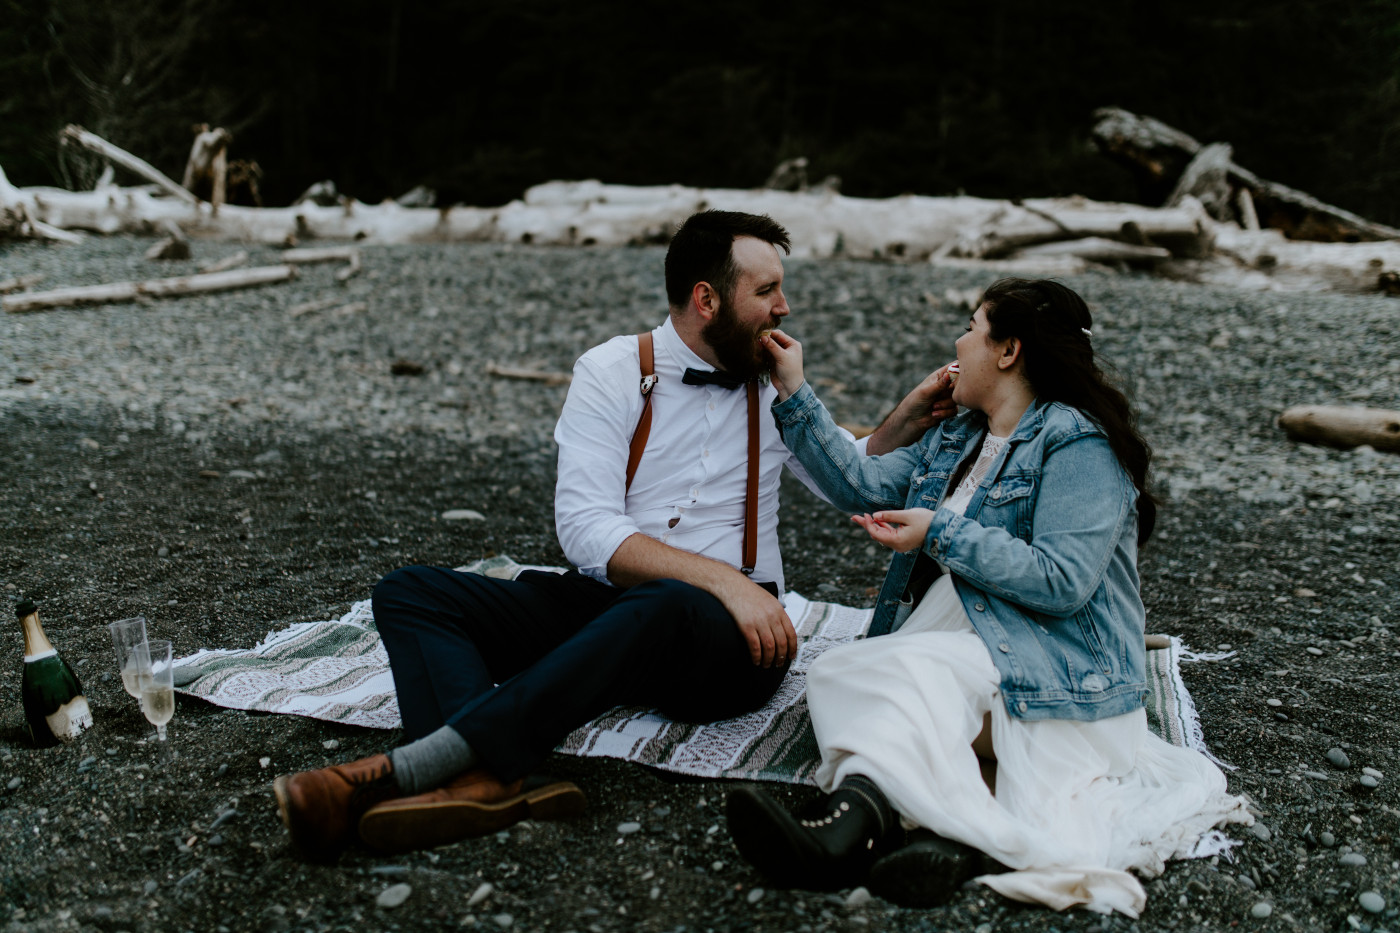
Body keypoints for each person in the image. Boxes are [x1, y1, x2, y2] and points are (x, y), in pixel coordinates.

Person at [271, 210, 955, 863]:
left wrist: (909, 415)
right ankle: (482, 776)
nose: (784, 308)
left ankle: (411, 769)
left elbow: (853, 472)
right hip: (618, 604)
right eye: (768, 290)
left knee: (663, 603)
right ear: (706, 299)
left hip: (732, 646)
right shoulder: (613, 370)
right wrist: (723, 579)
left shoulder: (777, 387)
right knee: (412, 591)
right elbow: (586, 529)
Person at [726, 278, 1247, 915]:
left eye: (971, 327)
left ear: (1007, 351)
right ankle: (927, 840)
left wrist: (941, 530)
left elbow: (1062, 580)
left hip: (1056, 675)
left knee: (877, 676)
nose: (958, 340)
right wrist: (793, 389)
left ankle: (848, 833)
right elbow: (861, 483)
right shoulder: (962, 434)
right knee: (875, 678)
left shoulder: (1078, 444)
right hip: (974, 648)